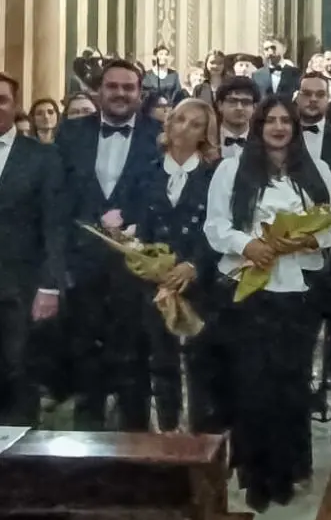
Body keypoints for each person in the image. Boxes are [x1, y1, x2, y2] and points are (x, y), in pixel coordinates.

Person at [204, 96, 331, 512]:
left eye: (286, 121)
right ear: (259, 126)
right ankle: (256, 473)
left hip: (299, 291)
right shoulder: (231, 169)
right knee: (253, 384)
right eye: (271, 121)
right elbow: (216, 226)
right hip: (250, 289)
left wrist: (310, 237)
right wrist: (250, 244)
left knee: (292, 384)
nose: (279, 127)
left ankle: (289, 468)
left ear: (296, 128)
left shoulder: (317, 171)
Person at [55, 60, 162, 430]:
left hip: (136, 268)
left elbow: (161, 195)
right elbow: (59, 195)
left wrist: (133, 223)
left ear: (140, 93)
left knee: (134, 362)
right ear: (98, 92)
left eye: (128, 87)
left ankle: (135, 450)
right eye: (113, 87)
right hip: (83, 265)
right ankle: (86, 450)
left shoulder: (158, 135)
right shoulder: (70, 133)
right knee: (85, 358)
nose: (120, 94)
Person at [137, 99, 220, 432]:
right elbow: (138, 226)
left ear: (205, 134)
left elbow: (220, 228)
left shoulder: (215, 176)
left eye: (196, 124)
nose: (185, 128)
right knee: (161, 362)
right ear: (168, 124)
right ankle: (168, 434)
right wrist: (151, 265)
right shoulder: (147, 172)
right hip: (156, 284)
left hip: (199, 284)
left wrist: (194, 265)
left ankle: (202, 439)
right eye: (180, 119)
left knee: (202, 363)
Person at [0, 74, 66, 424]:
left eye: (1, 99)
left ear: (15, 105)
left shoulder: (42, 157)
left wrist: (50, 285)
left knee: (18, 371)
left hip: (21, 285)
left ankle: (18, 464)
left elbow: (54, 225)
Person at [253, 36, 302, 100]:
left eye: (273, 48)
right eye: (266, 49)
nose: (270, 52)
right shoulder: (257, 75)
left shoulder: (296, 73)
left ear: (284, 49)